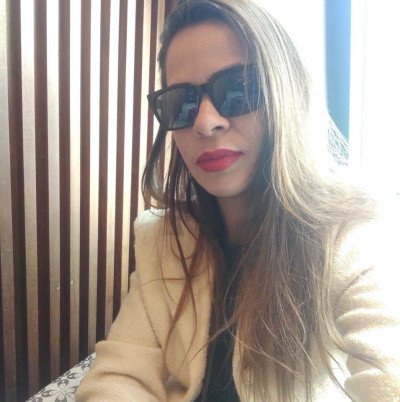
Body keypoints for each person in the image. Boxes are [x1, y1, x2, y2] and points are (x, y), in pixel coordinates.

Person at [76, 0, 400, 400]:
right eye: (182, 102)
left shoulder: (354, 234)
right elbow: (120, 375)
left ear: (286, 94)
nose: (205, 122)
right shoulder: (162, 239)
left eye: (238, 89)